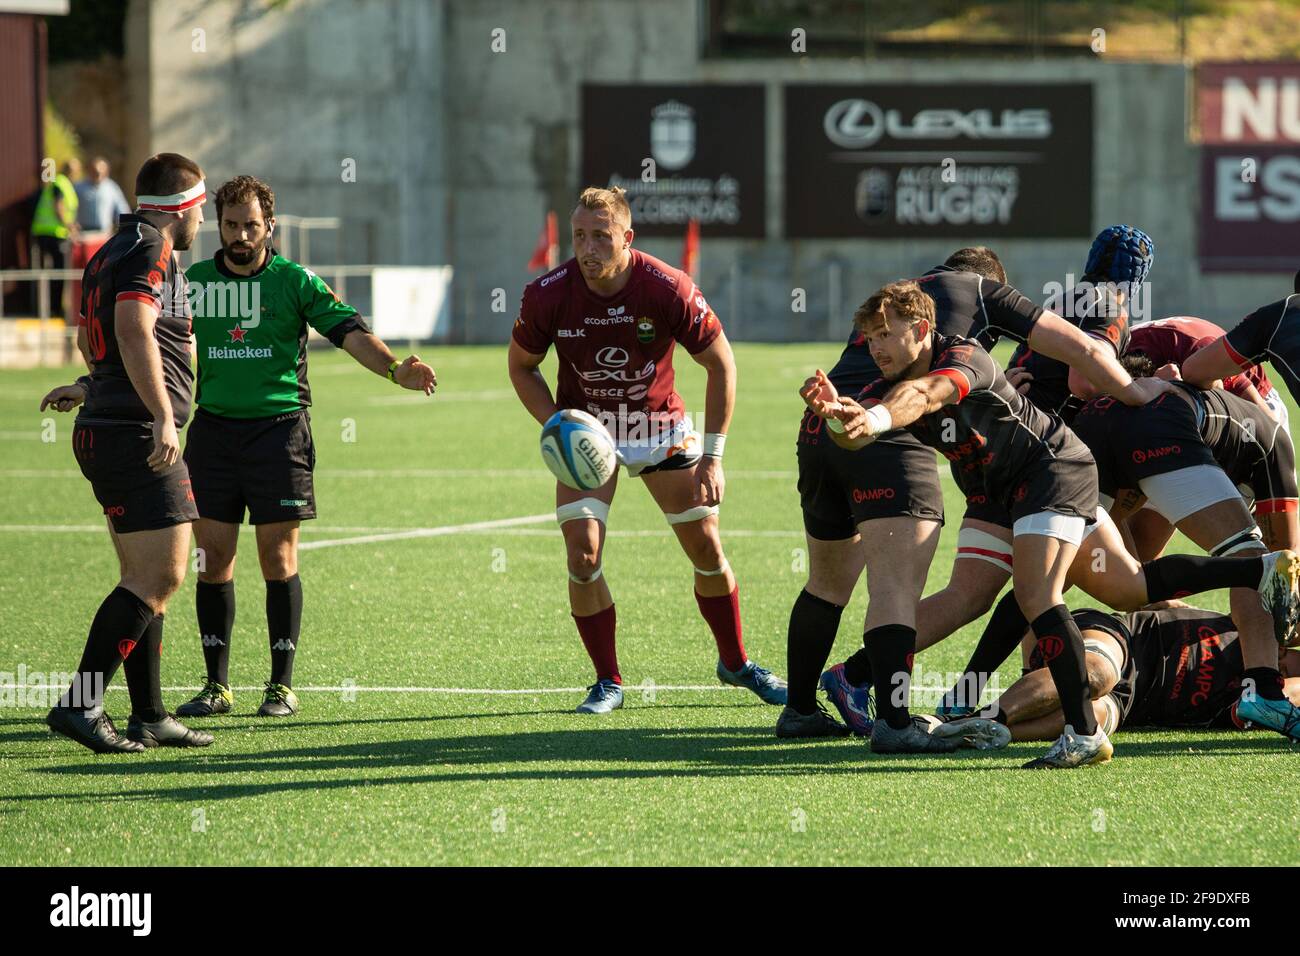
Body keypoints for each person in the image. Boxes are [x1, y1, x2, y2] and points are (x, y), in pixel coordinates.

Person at [803, 280, 1299, 767]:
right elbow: (861, 430)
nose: (876, 346)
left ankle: (1082, 734)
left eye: (886, 333)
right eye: (869, 337)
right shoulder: (885, 387)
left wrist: (877, 420)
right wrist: (840, 417)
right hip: (1002, 490)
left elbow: (926, 394)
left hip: (1053, 470)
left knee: (1038, 593)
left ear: (922, 328)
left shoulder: (963, 358)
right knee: (1126, 588)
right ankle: (1255, 570)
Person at [784, 251, 1177, 746]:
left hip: (827, 425)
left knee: (831, 584)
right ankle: (895, 721)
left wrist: (862, 416)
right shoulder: (979, 295)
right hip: (904, 437)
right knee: (905, 590)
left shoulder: (893, 306)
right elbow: (1082, 353)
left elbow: (942, 390)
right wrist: (1141, 394)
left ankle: (803, 709)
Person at [507, 185, 786, 714]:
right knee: (583, 557)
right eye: (579, 237)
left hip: (659, 427)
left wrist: (714, 454)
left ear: (627, 238)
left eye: (601, 237)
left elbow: (721, 364)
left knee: (706, 548)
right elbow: (521, 365)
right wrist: (559, 426)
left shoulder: (667, 287)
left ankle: (736, 663)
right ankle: (607, 680)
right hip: (589, 432)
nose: (587, 249)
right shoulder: (548, 293)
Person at [171, 175, 435, 719]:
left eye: (250, 225)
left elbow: (349, 331)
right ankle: (216, 686)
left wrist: (394, 370)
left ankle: (280, 685)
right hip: (214, 435)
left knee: (277, 557)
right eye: (230, 225)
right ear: (217, 228)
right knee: (212, 559)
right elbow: (145, 336)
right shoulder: (192, 281)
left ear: (270, 226)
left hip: (279, 434)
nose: (241, 235)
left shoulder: (295, 281)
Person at [39, 152, 213, 753]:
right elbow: (133, 328)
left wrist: (89, 386)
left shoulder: (113, 247)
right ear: (182, 208)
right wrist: (164, 415)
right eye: (202, 208)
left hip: (107, 424)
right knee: (159, 575)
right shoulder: (151, 248)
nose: (203, 222)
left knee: (142, 578)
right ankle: (82, 702)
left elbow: (102, 338)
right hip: (137, 434)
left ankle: (149, 713)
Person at [940, 603, 1300, 745]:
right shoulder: (1255, 624)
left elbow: (1287, 699)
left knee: (1091, 717)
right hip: (1123, 640)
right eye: (1282, 658)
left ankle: (966, 737)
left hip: (1128, 706)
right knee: (1097, 672)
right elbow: (1155, 601)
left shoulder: (1264, 702)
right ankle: (976, 718)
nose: (1275, 666)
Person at [30, 158, 81, 321]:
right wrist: (70, 227)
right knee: (58, 274)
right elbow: (58, 207)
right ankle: (54, 310)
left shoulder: (61, 183)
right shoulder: (61, 183)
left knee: (50, 274)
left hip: (46, 233)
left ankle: (50, 309)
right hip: (53, 234)